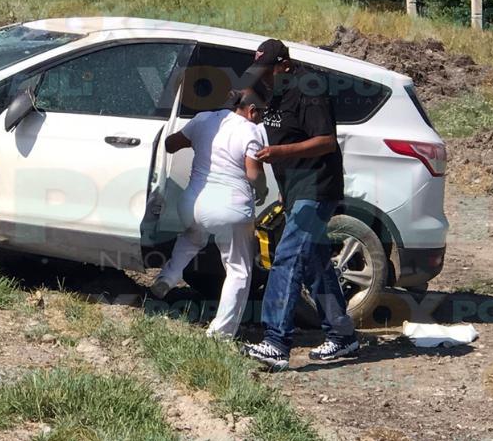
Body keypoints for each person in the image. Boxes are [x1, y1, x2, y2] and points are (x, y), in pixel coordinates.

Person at [241, 39, 358, 371]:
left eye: (267, 71)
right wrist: (284, 188)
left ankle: (276, 342)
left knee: (288, 257)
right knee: (315, 263)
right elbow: (284, 133)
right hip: (295, 189)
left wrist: (279, 154)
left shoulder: (309, 88)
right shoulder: (274, 92)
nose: (263, 77)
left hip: (317, 186)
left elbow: (326, 141)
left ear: (285, 65)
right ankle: (342, 334)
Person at [150, 88, 268, 339]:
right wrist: (263, 189)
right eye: (261, 113)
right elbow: (253, 173)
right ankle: (221, 332)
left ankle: (167, 278)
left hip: (193, 203)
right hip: (230, 208)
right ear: (251, 111)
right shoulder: (251, 130)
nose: (261, 118)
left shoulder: (203, 120)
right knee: (238, 269)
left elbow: (170, 144)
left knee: (192, 238)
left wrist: (198, 140)